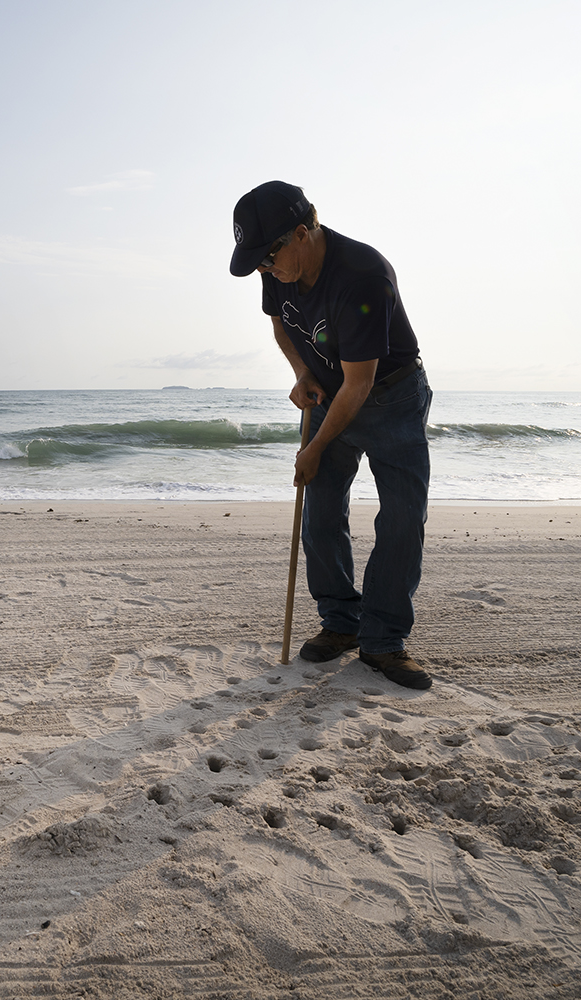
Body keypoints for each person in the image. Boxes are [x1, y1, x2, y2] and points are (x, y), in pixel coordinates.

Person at [229, 180, 433, 690]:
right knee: (319, 509)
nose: (263, 270)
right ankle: (341, 622)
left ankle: (383, 640)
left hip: (390, 396)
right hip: (331, 394)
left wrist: (314, 448)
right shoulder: (278, 266)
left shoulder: (363, 276)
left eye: (268, 258)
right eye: (255, 261)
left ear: (303, 233)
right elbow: (279, 323)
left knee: (403, 519)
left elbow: (360, 383)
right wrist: (301, 373)